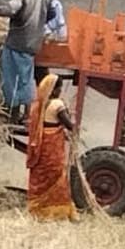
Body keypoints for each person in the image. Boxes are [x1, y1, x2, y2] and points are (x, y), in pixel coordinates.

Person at [26, 73, 79, 222]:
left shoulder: (37, 106)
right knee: (56, 175)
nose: (60, 91)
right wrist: (76, 129)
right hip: (53, 146)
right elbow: (69, 125)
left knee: (40, 174)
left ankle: (38, 210)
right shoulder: (57, 105)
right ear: (52, 89)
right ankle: (57, 211)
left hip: (41, 145)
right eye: (59, 88)